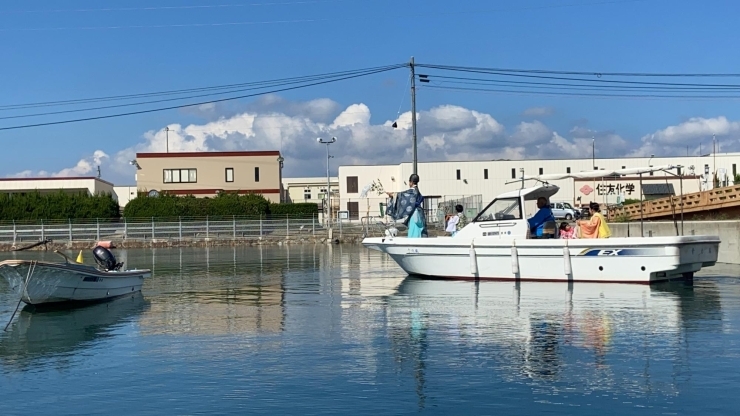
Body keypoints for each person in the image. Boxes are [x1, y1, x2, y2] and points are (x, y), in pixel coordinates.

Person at [385, 174, 427, 238]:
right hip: (419, 212)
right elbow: (403, 195)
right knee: (419, 229)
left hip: (414, 213)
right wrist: (394, 194)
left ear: (411, 182)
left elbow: (402, 196)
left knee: (414, 231)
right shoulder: (416, 191)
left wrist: (393, 195)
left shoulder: (412, 191)